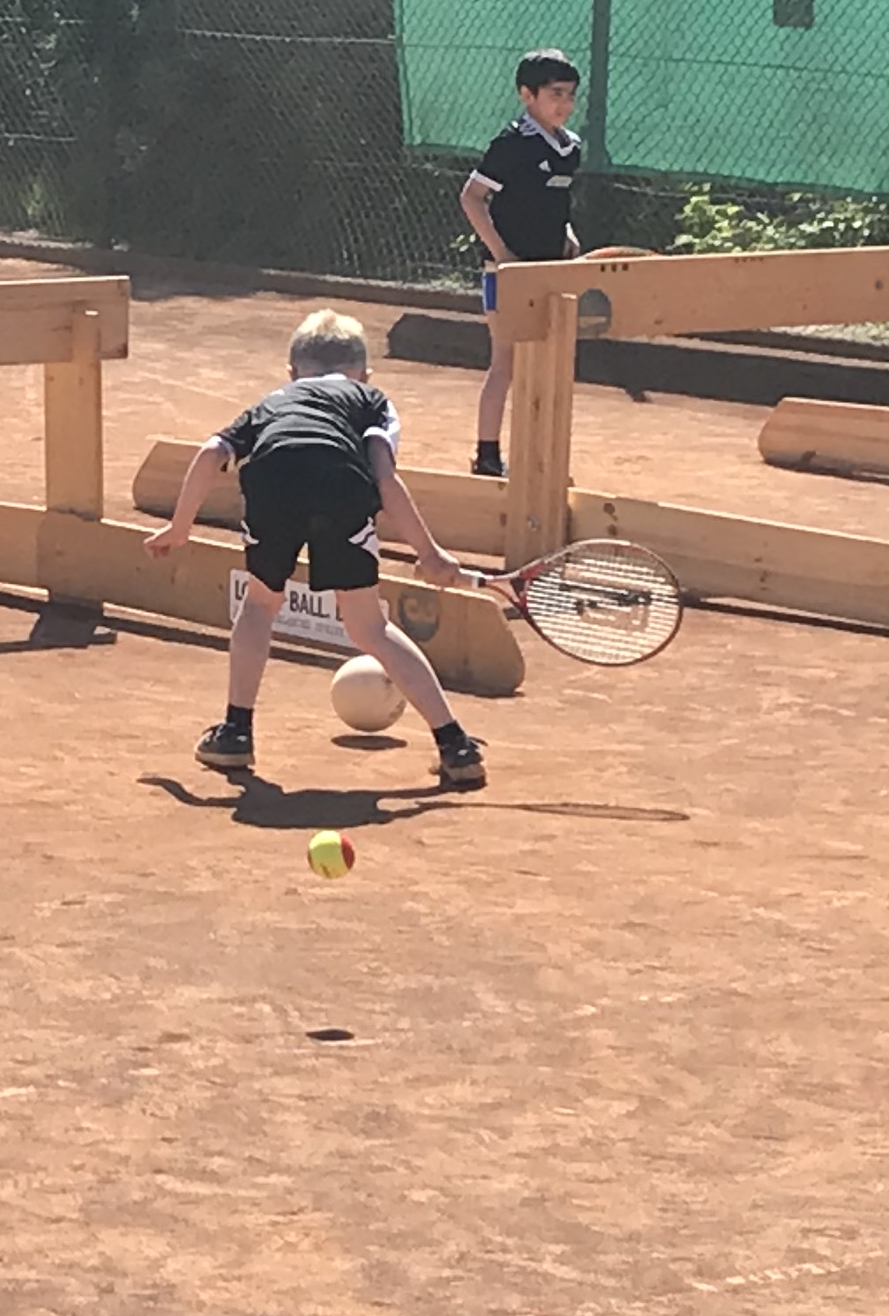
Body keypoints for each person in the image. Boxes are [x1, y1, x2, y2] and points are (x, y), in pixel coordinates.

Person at [145, 309, 484, 788]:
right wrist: (428, 553)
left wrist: (180, 527)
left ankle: (235, 734)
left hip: (273, 480)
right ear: (364, 373)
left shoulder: (272, 402)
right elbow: (385, 477)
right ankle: (455, 745)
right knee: (369, 627)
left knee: (259, 606)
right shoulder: (371, 399)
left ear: (292, 372)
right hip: (340, 483)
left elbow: (211, 454)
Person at [458, 47, 586, 480]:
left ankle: (541, 459)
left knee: (549, 366)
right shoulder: (511, 144)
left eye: (570, 95)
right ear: (526, 96)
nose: (564, 104)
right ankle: (487, 456)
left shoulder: (570, 148)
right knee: (506, 361)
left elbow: (552, 204)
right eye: (555, 94)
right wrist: (502, 256)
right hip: (507, 275)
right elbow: (472, 198)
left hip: (550, 273)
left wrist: (566, 234)